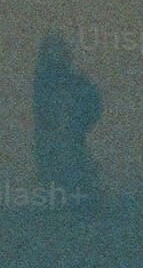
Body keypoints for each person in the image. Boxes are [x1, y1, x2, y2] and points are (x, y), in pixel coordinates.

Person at [31, 31, 103, 204]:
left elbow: (93, 105)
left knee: (73, 176)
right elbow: (43, 114)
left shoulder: (74, 82)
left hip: (67, 141)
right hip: (55, 143)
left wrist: (77, 126)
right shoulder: (44, 84)